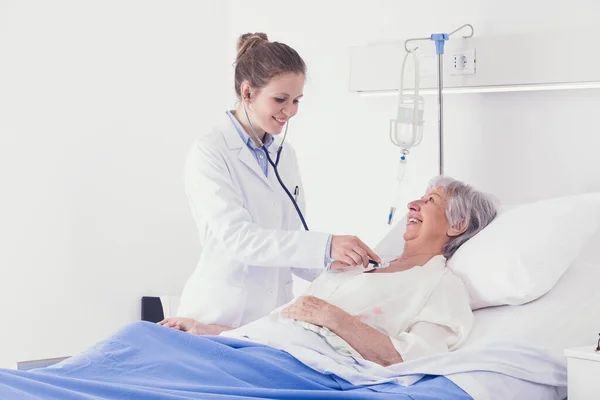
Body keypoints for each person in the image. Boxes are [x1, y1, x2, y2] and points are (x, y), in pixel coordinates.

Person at [162, 176, 498, 378]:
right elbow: (280, 329)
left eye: (429, 201)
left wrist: (331, 317)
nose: (413, 204)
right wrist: (206, 329)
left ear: (457, 225)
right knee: (142, 343)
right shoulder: (358, 269)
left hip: (302, 369)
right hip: (264, 350)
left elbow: (416, 359)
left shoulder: (441, 285)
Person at [177, 32, 380, 333]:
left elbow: (286, 241)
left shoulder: (284, 155)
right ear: (247, 93)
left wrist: (334, 263)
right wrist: (326, 246)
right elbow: (239, 240)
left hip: (268, 324)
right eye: (280, 99)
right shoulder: (210, 150)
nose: (291, 110)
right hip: (216, 314)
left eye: (296, 100)